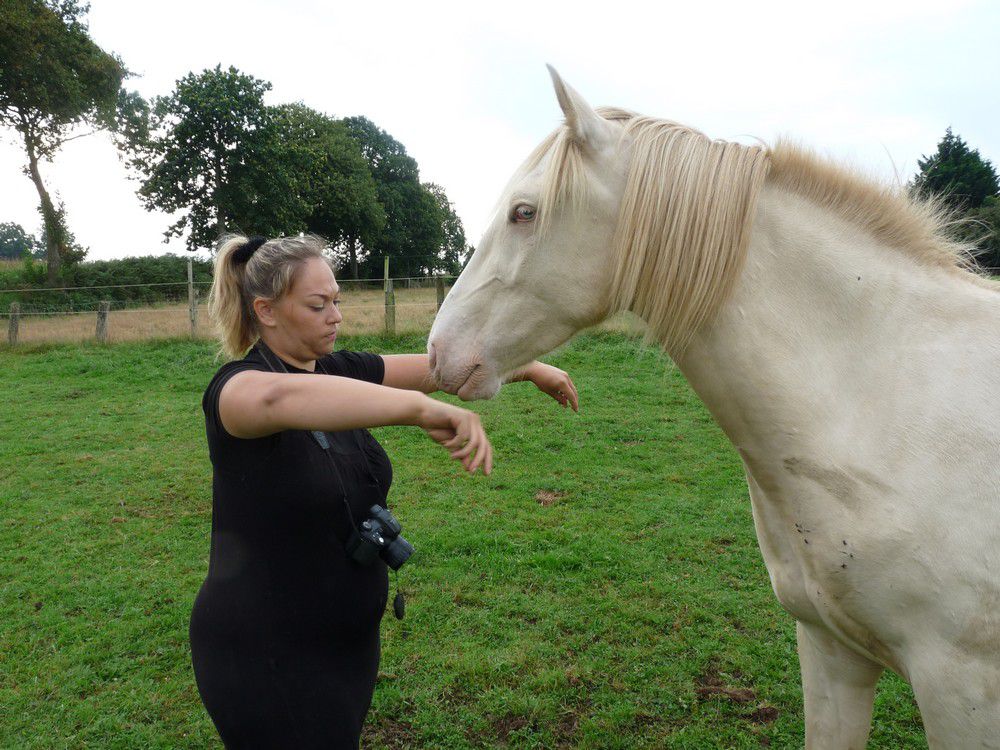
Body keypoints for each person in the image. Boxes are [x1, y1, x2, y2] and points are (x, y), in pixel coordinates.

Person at [189, 233, 579, 749]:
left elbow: (436, 370)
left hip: (344, 644)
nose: (335, 317)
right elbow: (279, 398)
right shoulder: (237, 388)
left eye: (337, 301)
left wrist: (528, 368)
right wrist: (417, 409)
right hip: (266, 653)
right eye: (317, 305)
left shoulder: (336, 369)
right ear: (266, 311)